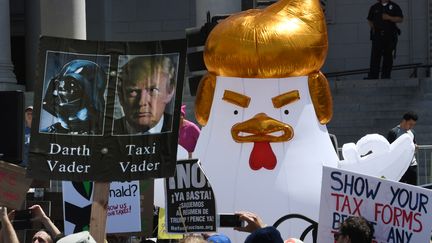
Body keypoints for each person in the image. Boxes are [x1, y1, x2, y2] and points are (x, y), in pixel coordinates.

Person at [114, 55, 177, 135]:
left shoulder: (182, 129)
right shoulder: (105, 132)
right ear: (121, 96)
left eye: (152, 90)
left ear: (170, 92)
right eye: (133, 91)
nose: (142, 102)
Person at [41, 59, 107, 135]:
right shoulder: (52, 130)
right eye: (61, 84)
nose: (63, 89)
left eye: (71, 84)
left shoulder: (99, 128)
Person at [365, 0, 403, 79]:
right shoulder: (374, 7)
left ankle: (386, 76)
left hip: (389, 35)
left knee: (388, 56)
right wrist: (373, 27)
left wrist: (389, 17)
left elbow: (400, 19)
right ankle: (373, 76)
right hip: (378, 36)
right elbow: (369, 19)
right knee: (375, 56)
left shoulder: (394, 6)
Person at [387, 111, 418, 185]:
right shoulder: (394, 132)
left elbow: (414, 144)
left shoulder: (412, 132)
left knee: (414, 189)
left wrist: (415, 147)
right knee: (399, 189)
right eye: (410, 124)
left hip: (412, 166)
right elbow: (389, 150)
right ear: (404, 121)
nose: (411, 127)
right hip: (399, 166)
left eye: (413, 125)